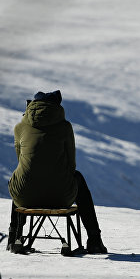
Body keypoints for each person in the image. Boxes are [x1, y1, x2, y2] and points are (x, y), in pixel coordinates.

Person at [8, 90, 107, 254]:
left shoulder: (19, 127)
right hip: (60, 196)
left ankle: (14, 237)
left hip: (25, 197)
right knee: (78, 178)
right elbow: (71, 165)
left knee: (21, 178)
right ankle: (95, 240)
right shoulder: (65, 127)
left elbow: (21, 160)